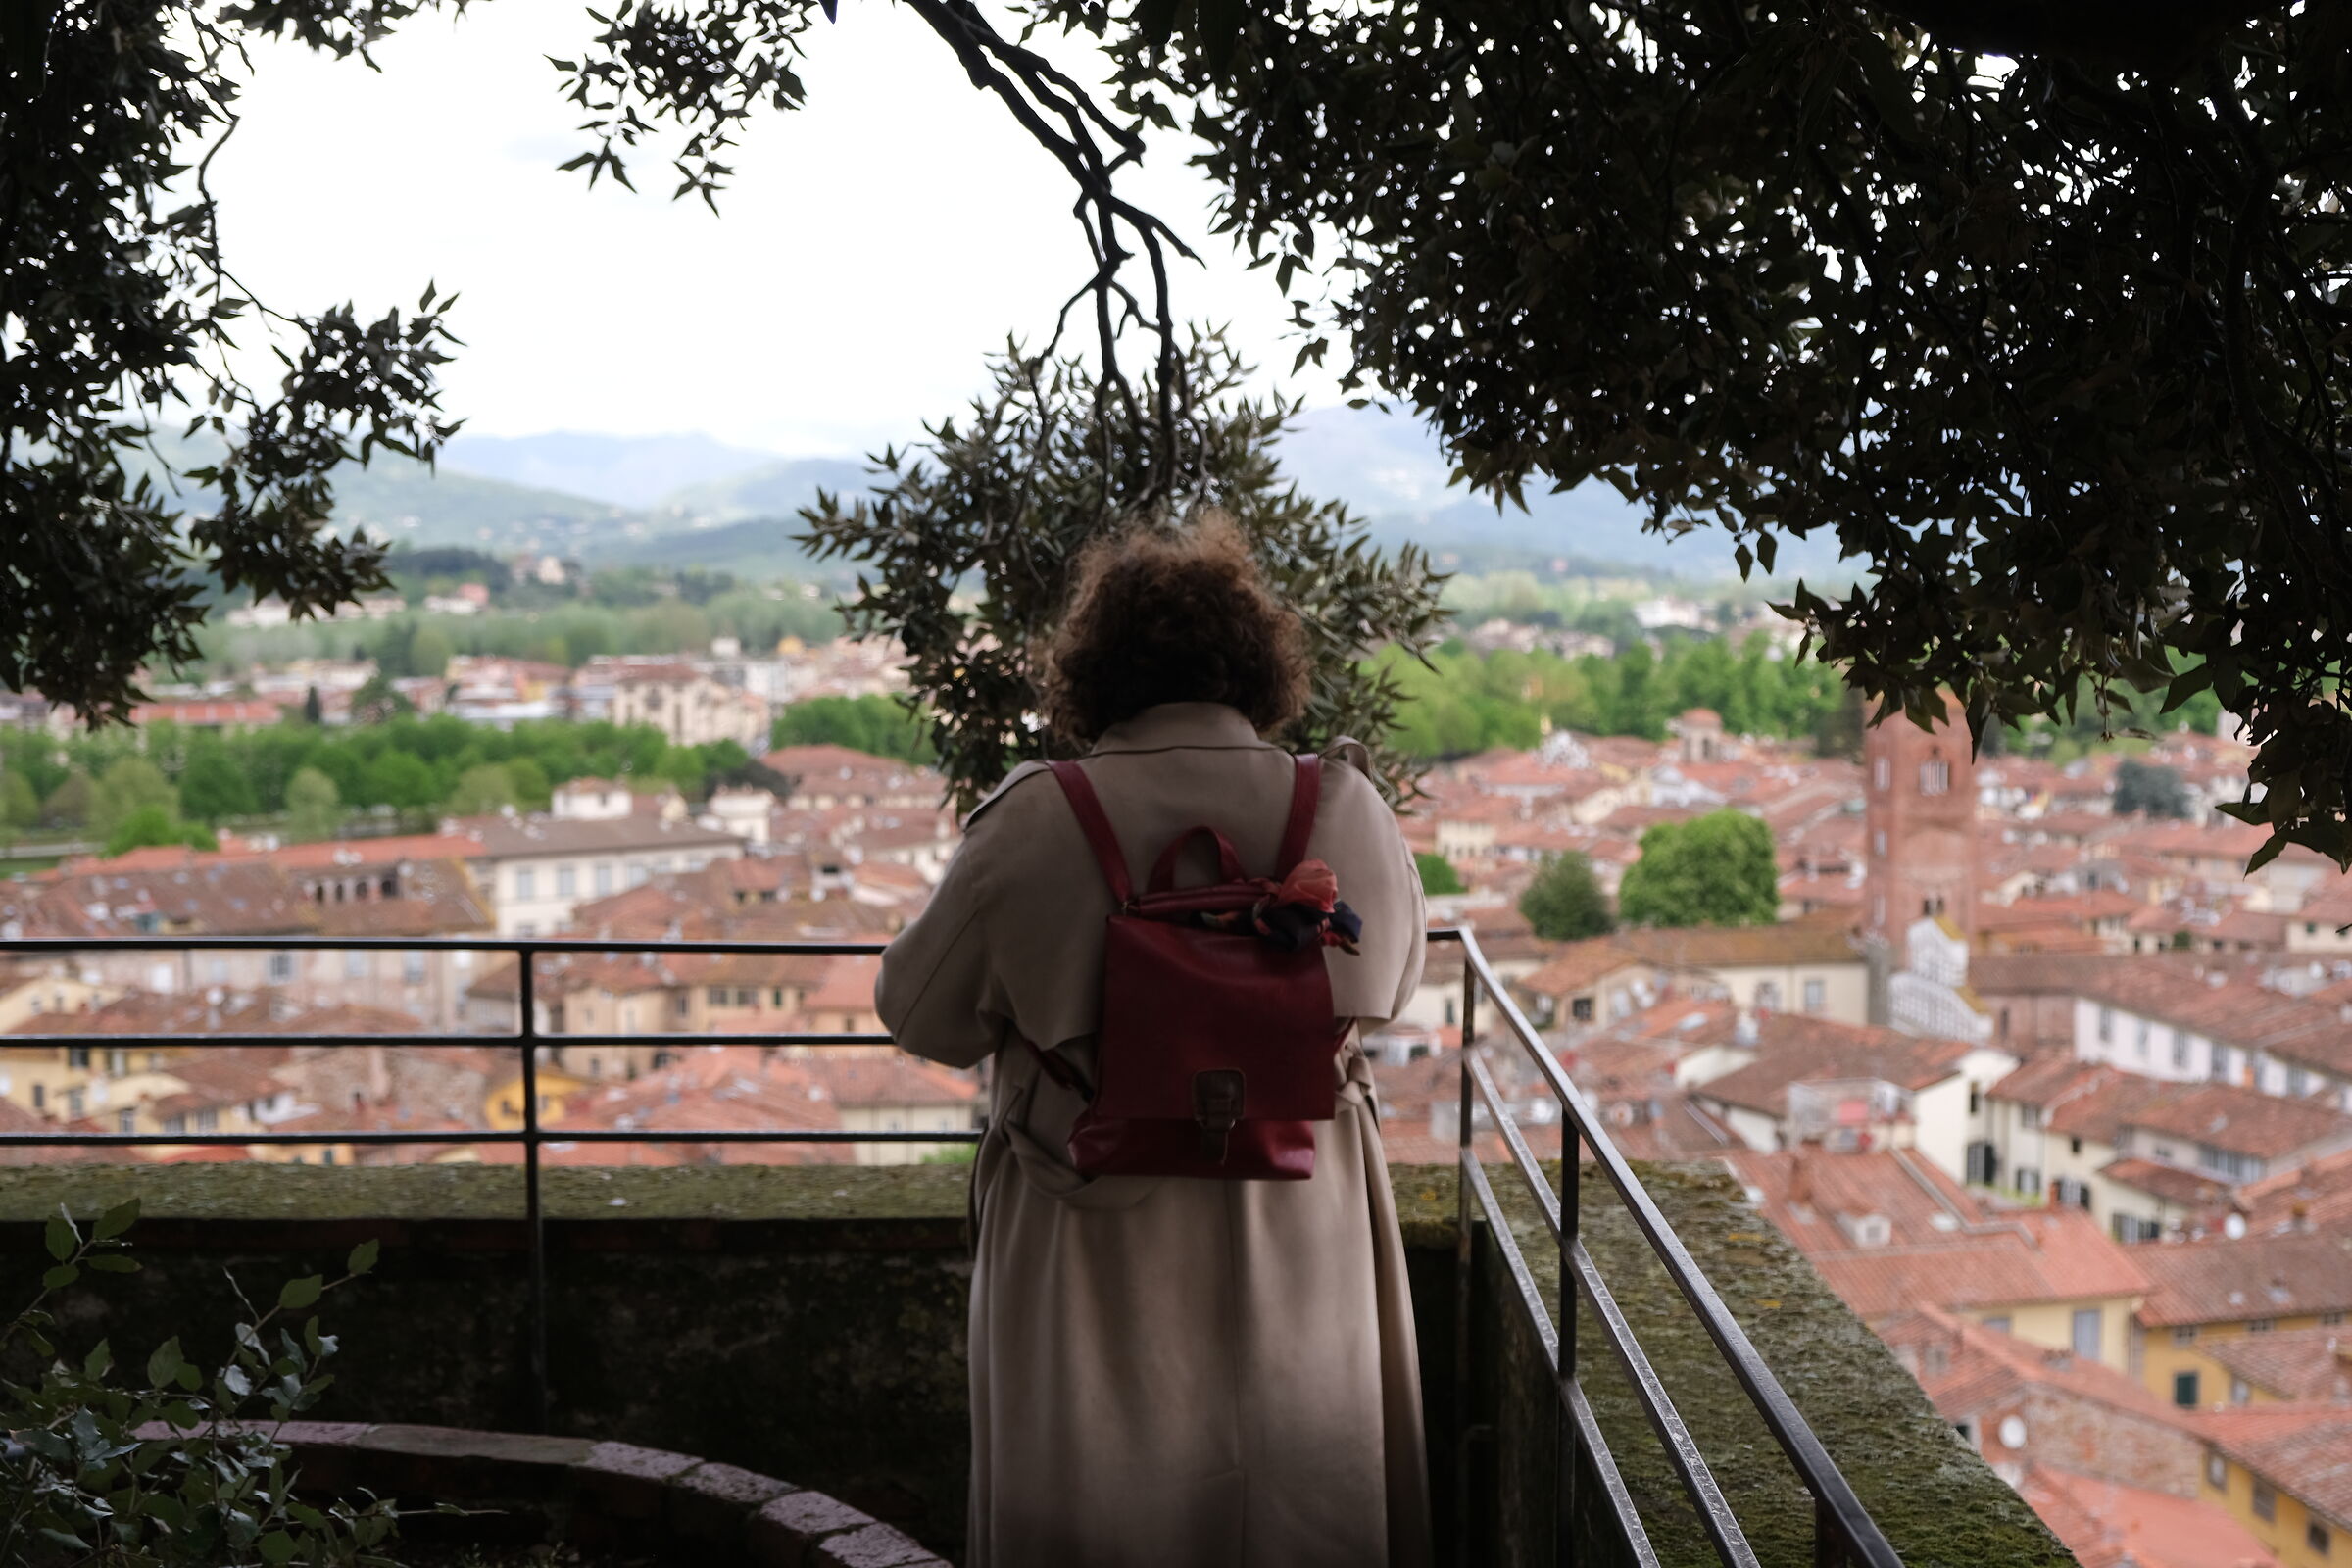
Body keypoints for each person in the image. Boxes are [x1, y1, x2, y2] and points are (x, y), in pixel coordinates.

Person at [876, 513, 1431, 1568]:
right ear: (1258, 665)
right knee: (1308, 1496)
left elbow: (919, 1014)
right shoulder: (1347, 807)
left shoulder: (1036, 818)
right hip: (1301, 1212)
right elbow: (1393, 981)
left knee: (1096, 1507)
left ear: (1096, 673)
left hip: (1089, 1228)